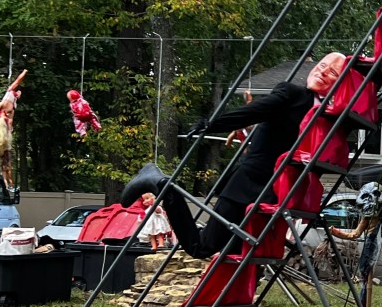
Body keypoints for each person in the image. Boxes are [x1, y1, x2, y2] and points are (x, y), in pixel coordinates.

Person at [120, 53, 346, 258]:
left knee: (241, 252)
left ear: (340, 85)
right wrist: (211, 124)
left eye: (332, 72)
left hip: (271, 192)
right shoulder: (293, 94)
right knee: (203, 247)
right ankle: (160, 184)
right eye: (321, 65)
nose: (323, 72)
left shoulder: (326, 119)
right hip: (246, 185)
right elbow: (253, 111)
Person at [0, 69, 27, 192]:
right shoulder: (9, 94)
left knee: (6, 160)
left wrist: (10, 127)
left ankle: (8, 184)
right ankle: (8, 184)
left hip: (4, 130)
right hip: (0, 127)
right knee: (5, 160)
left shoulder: (13, 105)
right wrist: (24, 73)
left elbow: (10, 119)